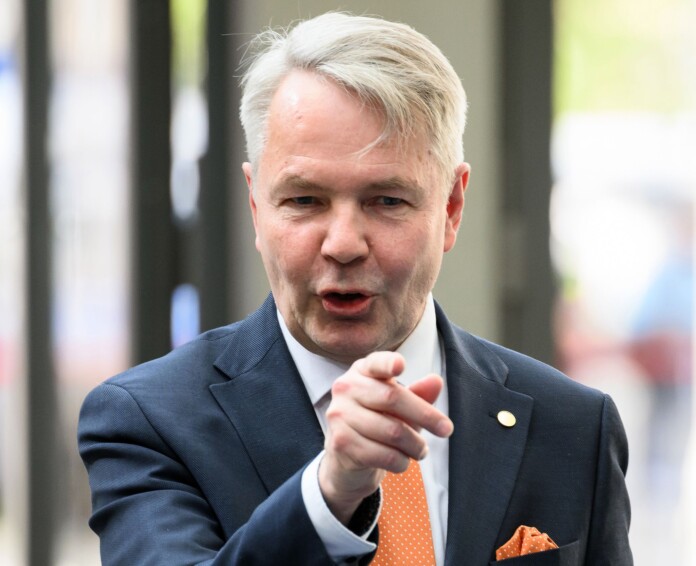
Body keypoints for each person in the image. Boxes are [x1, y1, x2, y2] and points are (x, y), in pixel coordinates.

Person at [78, 12, 632, 565]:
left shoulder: (573, 427)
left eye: (386, 201)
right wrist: (327, 497)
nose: (343, 244)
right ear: (256, 206)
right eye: (304, 200)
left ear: (451, 207)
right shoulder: (148, 421)